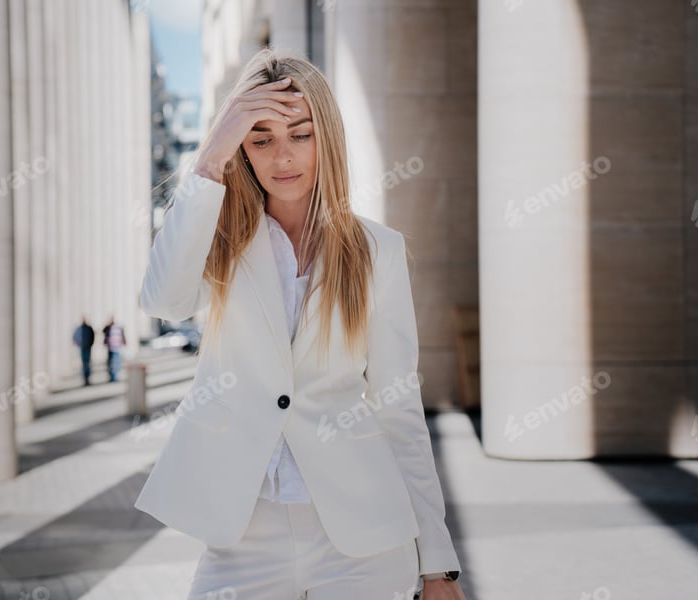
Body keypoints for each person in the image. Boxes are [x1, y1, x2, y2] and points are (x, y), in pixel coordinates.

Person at [134, 49, 466, 600]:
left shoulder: (376, 250)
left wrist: (438, 564)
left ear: (326, 139)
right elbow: (164, 301)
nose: (282, 157)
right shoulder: (215, 240)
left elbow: (398, 407)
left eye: (300, 135)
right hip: (243, 532)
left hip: (361, 535)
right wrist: (210, 156)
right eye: (260, 139)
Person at [72, 317, 95, 386]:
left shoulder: (89, 328)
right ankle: (85, 378)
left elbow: (92, 336)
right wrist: (78, 343)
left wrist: (91, 344)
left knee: (87, 363)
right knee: (84, 363)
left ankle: (88, 378)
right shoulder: (79, 328)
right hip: (82, 348)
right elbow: (75, 337)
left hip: (88, 347)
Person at [102, 316, 126, 382]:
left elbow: (122, 335)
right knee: (110, 363)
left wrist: (124, 343)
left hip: (116, 347)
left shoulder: (118, 327)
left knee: (116, 362)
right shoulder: (108, 327)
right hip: (110, 348)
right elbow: (103, 331)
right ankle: (112, 376)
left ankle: (115, 376)